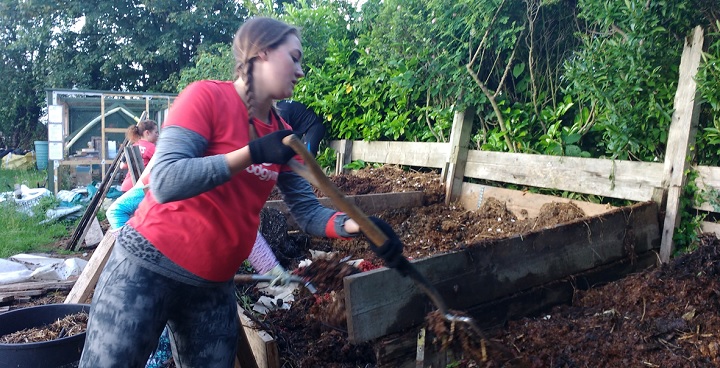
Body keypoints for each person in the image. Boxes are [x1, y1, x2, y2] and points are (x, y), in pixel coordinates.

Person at [79, 17, 403, 368]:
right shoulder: (206, 97)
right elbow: (166, 180)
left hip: (212, 286)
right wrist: (252, 152)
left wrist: (360, 226)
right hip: (146, 268)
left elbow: (308, 213)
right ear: (261, 52)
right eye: (293, 58)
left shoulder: (285, 134)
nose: (301, 70)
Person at [119, 119, 159, 192]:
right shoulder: (151, 148)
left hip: (126, 187)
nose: (157, 135)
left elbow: (122, 165)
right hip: (139, 188)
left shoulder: (134, 145)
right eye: (156, 132)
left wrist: (137, 162)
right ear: (147, 133)